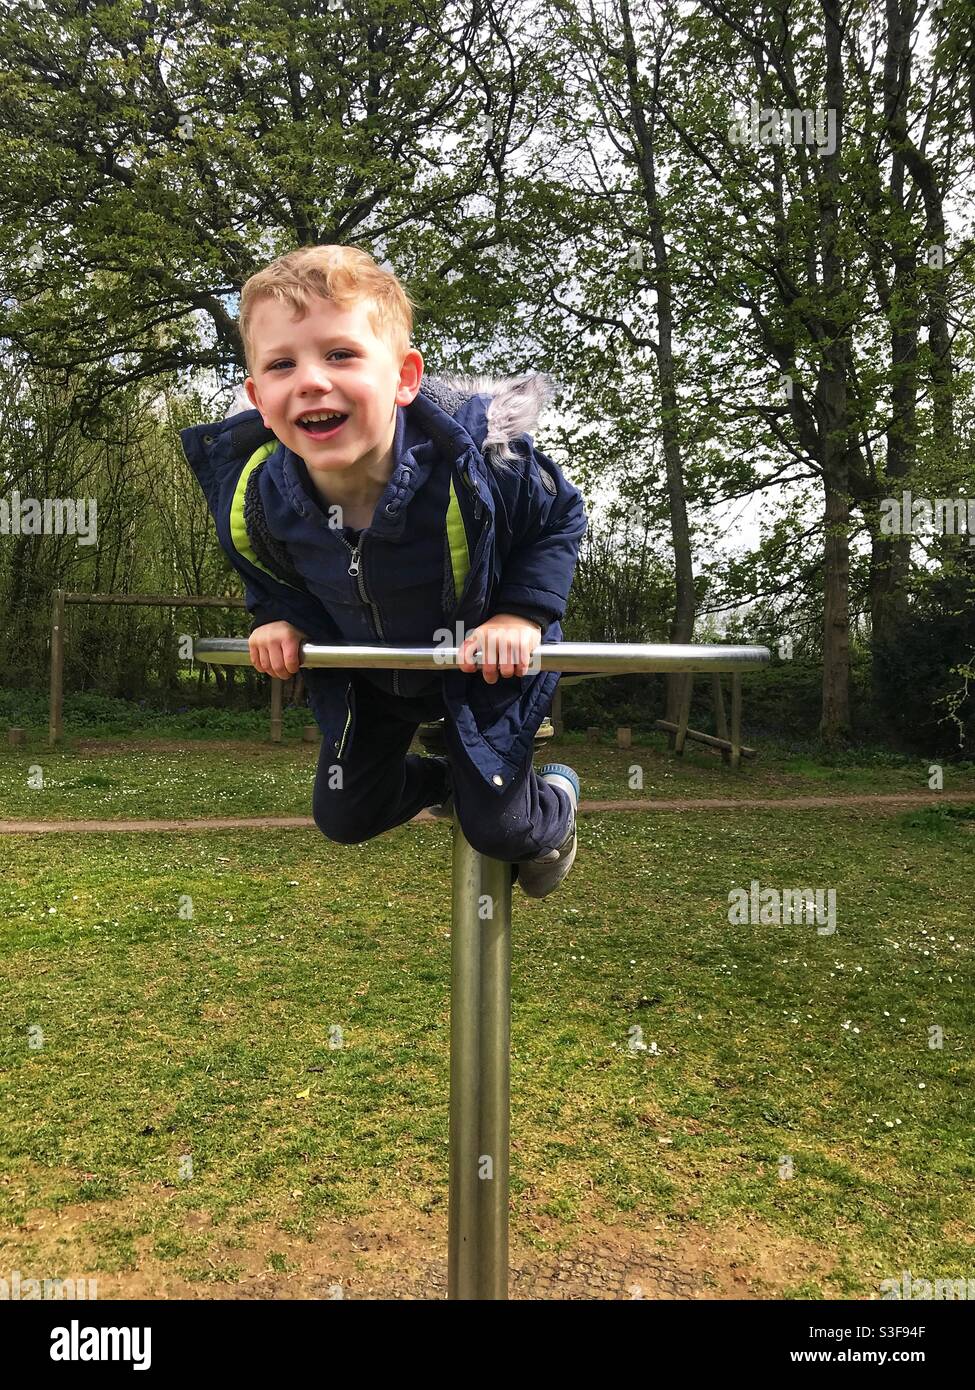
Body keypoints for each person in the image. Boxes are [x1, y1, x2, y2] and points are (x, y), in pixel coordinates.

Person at [180, 245, 588, 897]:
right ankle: (447, 780)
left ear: (403, 378)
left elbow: (558, 516)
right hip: (368, 674)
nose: (311, 380)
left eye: (340, 355)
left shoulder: (478, 458)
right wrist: (274, 618)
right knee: (345, 815)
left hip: (480, 667)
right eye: (283, 364)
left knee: (505, 833)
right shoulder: (259, 496)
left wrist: (522, 613)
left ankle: (555, 799)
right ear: (258, 397)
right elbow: (269, 570)